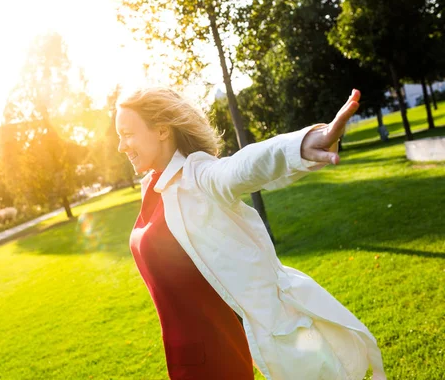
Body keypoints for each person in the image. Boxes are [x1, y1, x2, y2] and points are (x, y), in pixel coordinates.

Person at [115, 87, 385, 380]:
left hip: (214, 356)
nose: (121, 146)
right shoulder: (154, 187)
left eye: (127, 134)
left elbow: (240, 168)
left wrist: (301, 145)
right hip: (183, 354)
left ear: (163, 131)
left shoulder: (198, 177)